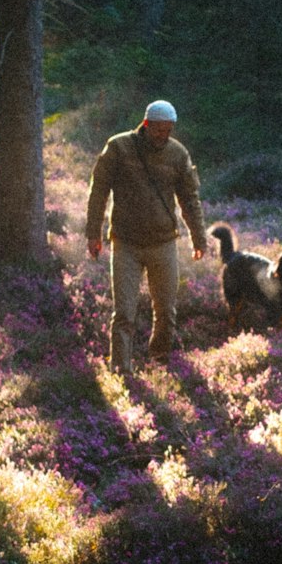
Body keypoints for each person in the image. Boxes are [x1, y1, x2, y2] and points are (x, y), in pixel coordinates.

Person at [86, 99, 207, 374]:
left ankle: (160, 360)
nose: (163, 136)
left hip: (163, 242)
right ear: (146, 124)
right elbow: (98, 192)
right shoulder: (118, 147)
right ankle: (121, 370)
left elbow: (190, 199)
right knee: (125, 313)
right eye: (159, 130)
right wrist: (93, 233)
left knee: (166, 312)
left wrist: (199, 238)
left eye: (168, 131)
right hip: (125, 242)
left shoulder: (178, 154)